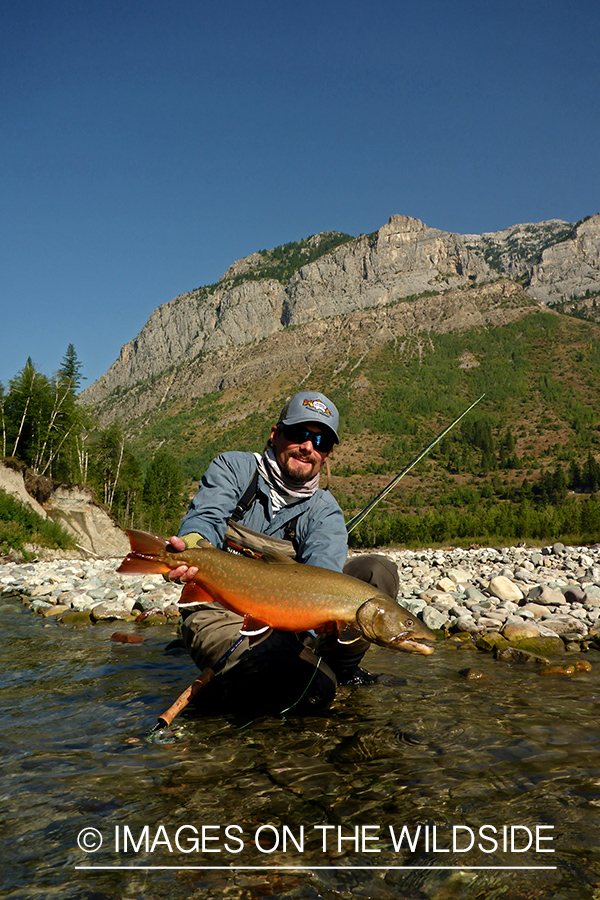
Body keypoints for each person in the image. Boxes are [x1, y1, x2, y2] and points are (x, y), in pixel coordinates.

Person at [166, 390, 399, 722]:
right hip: (221, 609)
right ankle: (255, 682)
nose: (308, 447)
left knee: (377, 573)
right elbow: (206, 517)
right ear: (276, 435)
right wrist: (190, 544)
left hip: (290, 617)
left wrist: (324, 626)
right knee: (314, 689)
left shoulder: (324, 511)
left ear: (327, 454)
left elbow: (323, 577)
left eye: (321, 442)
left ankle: (339, 668)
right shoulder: (235, 468)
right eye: (299, 434)